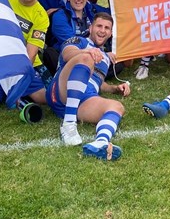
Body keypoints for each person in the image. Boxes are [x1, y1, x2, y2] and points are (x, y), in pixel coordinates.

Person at [47, 13, 129, 160]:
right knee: (86, 59)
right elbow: (67, 53)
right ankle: (69, 123)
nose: (102, 30)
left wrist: (115, 88)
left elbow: (99, 83)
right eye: (99, 26)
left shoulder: (106, 58)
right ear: (90, 27)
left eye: (107, 28)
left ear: (110, 33)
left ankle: (101, 142)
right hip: (62, 91)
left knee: (117, 107)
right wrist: (86, 51)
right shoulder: (80, 41)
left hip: (85, 98)